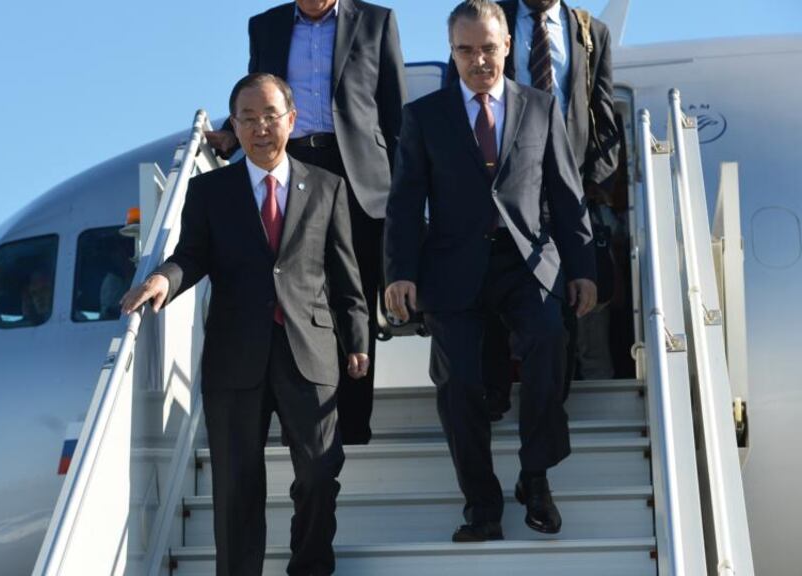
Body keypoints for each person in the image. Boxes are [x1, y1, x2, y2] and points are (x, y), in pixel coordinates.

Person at [122, 73, 369, 576]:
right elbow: (192, 255)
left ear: (291, 120)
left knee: (320, 472)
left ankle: (310, 565)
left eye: (270, 116)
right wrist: (163, 280)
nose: (260, 128)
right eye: (248, 119)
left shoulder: (327, 187)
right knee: (236, 486)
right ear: (234, 126)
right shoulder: (210, 191)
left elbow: (346, 275)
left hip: (310, 351)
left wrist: (357, 339)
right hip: (235, 355)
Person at [383, 0, 596, 542]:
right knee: (459, 383)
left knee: (549, 340)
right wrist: (400, 272)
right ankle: (482, 505)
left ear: (507, 46)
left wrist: (582, 268)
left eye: (487, 48)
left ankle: (536, 476)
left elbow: (566, 195)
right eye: (465, 50)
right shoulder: (424, 117)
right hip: (453, 265)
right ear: (451, 51)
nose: (478, 60)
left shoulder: (540, 106)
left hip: (527, 260)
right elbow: (404, 203)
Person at [205, 0, 406, 445]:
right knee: (298, 294)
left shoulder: (376, 21)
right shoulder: (266, 26)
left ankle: (353, 424)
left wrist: (404, 191)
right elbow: (257, 94)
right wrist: (230, 134)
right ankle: (305, 421)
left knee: (355, 293)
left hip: (358, 175)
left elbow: (394, 113)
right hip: (293, 167)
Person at [463, 0, 621, 416]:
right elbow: (462, 101)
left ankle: (551, 402)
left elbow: (602, 112)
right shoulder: (488, 21)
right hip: (507, 188)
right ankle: (495, 392)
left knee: (562, 300)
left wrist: (592, 184)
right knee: (495, 292)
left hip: (565, 188)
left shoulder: (590, 33)